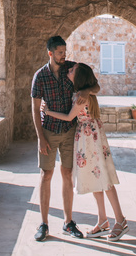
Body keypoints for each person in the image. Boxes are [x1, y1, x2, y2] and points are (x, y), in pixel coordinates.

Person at [43, 63, 129, 241]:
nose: (69, 70)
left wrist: (48, 111)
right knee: (96, 179)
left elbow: (68, 117)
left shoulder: (81, 98)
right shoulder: (84, 94)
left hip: (89, 139)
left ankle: (120, 220)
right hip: (90, 138)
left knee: (104, 180)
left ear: (78, 77)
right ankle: (103, 220)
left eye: (72, 70)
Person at [31, 36, 99, 242]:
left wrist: (85, 91)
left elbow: (95, 86)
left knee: (67, 175)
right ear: (50, 53)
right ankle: (43, 224)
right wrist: (40, 137)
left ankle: (68, 222)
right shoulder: (40, 76)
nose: (64, 56)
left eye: (65, 52)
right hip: (49, 131)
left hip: (70, 131)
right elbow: (35, 109)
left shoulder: (72, 68)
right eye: (60, 52)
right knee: (46, 175)